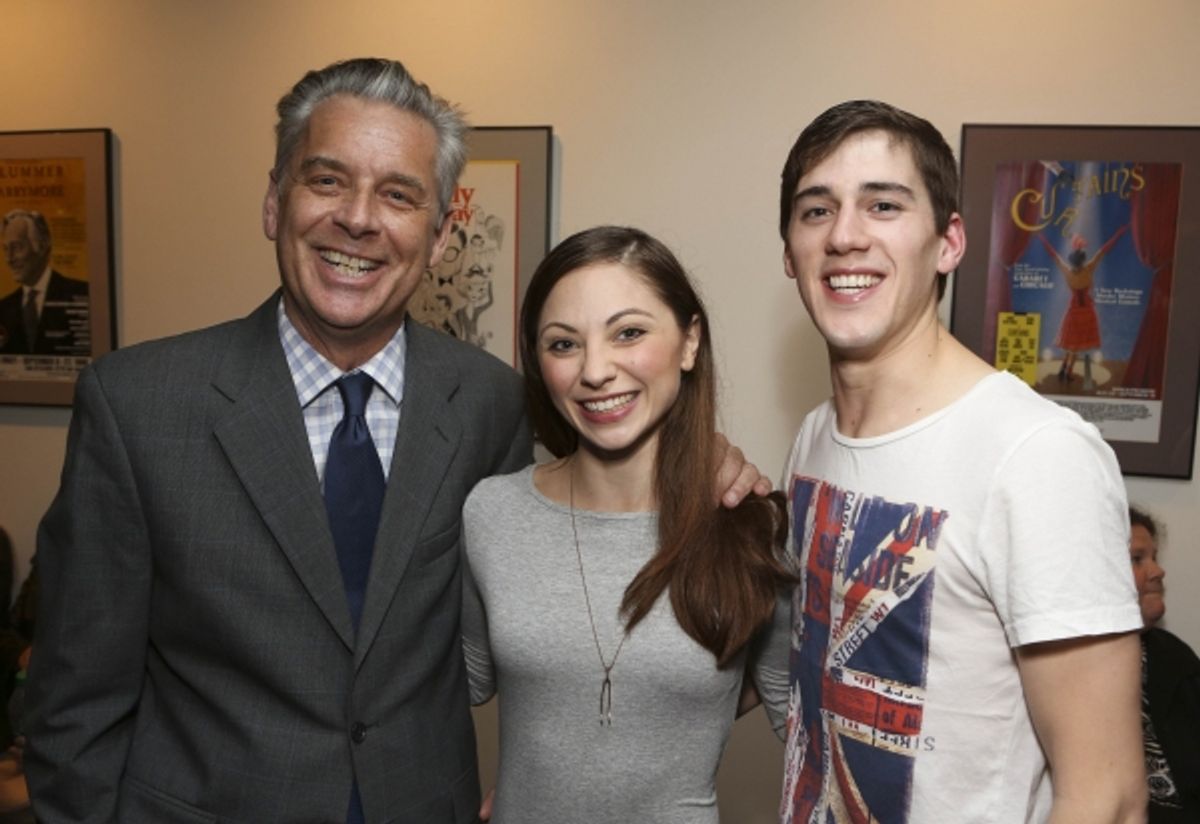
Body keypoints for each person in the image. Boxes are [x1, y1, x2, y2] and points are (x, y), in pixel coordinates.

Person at [24, 58, 763, 824]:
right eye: (327, 180)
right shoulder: (139, 403)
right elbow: (74, 704)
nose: (359, 219)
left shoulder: (487, 402)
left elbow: (574, 590)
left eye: (400, 195)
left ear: (440, 235)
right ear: (275, 201)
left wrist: (705, 465)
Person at [774, 100, 1146, 822]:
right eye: (816, 211)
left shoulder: (1037, 455)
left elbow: (1109, 798)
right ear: (789, 252)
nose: (845, 236)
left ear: (948, 243)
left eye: (883, 205)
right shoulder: (813, 439)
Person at [461, 226, 792, 823]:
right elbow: (451, 688)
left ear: (689, 342)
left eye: (629, 333)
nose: (595, 370)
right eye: (563, 344)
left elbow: (806, 720)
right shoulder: (491, 512)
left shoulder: (752, 529)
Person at [1128, 506, 1200, 822]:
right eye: (1137, 559)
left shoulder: (1173, 656)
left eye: (1154, 557)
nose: (1158, 571)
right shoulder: (1054, 667)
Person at [1037, 224, 1129, 388]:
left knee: (1071, 345)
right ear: (1082, 260)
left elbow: (1054, 255)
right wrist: (1119, 233)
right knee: (1076, 347)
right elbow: (1103, 250)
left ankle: (1064, 369)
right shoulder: (1088, 269)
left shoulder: (1067, 272)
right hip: (1085, 310)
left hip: (1074, 310)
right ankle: (1067, 372)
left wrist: (1042, 238)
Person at [0, 210, 90, 356]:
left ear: (41, 247)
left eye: (16, 247)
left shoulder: (82, 294)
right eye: (5, 249)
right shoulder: (3, 308)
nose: (9, 259)